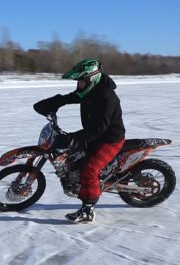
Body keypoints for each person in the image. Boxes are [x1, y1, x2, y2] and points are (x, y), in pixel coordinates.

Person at [33, 59, 125, 223]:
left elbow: (100, 128)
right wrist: (49, 104)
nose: (79, 85)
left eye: (81, 81)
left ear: (92, 78)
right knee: (76, 160)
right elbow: (70, 98)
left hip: (109, 139)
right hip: (95, 136)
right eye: (78, 82)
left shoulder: (107, 97)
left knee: (89, 169)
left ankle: (88, 209)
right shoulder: (90, 90)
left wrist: (74, 138)